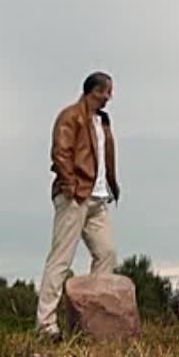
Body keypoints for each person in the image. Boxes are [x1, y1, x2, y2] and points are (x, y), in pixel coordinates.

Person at [35, 71, 121, 338]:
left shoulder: (103, 121)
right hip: (75, 196)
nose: (110, 96)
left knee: (107, 253)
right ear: (93, 91)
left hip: (98, 199)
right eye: (107, 91)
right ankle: (46, 325)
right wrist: (71, 187)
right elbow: (60, 152)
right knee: (60, 259)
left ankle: (93, 323)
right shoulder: (70, 116)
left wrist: (111, 186)